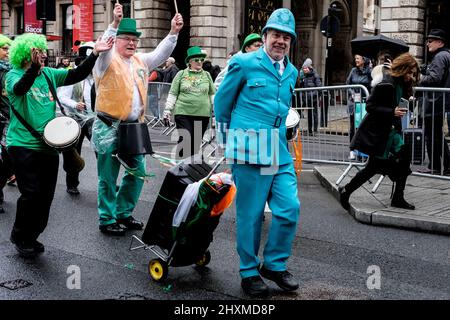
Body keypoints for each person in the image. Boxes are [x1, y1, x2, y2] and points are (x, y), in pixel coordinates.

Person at [214, 8, 300, 297]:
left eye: (286, 37)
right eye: (276, 34)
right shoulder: (243, 62)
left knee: (289, 208)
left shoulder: (292, 71)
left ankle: (274, 265)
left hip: (278, 147)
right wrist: (229, 143)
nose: (281, 41)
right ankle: (249, 271)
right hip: (249, 147)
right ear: (265, 36)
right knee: (251, 215)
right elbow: (222, 105)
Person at [5, 33, 113, 258]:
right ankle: (20, 236)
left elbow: (77, 73)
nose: (43, 55)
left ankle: (32, 235)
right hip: (22, 144)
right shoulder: (12, 75)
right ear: (26, 54)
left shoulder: (49, 74)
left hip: (48, 146)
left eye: (43, 52)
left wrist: (94, 54)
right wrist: (33, 69)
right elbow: (20, 89)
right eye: (38, 52)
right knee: (31, 194)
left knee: (46, 196)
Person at [92, 3, 183, 236]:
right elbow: (104, 46)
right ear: (116, 41)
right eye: (127, 39)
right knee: (108, 176)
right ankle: (107, 218)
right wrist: (113, 24)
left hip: (133, 127)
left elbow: (161, 53)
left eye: (135, 39)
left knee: (137, 172)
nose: (132, 43)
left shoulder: (140, 61)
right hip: (107, 126)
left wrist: (173, 32)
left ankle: (123, 212)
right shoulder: (105, 61)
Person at [339, 53, 419, 212]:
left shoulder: (401, 84)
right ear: (402, 69)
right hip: (380, 133)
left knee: (403, 159)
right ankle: (346, 191)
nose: (411, 76)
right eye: (409, 72)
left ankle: (398, 197)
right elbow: (370, 106)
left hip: (392, 133)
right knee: (373, 168)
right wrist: (392, 111)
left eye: (413, 73)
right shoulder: (386, 83)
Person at [58, 42, 96, 196]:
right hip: (74, 119)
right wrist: (75, 104)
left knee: (101, 151)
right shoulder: (72, 75)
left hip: (93, 120)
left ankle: (107, 182)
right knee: (74, 153)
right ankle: (72, 184)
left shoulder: (96, 77)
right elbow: (61, 96)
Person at [163, 46, 215, 159]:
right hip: (183, 113)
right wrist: (167, 110)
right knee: (186, 140)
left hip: (202, 114)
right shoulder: (181, 74)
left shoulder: (207, 75)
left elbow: (212, 94)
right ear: (190, 61)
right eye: (197, 60)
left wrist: (215, 113)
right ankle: (181, 166)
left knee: (195, 144)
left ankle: (191, 171)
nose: (200, 62)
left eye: (202, 60)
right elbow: (173, 93)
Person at [418, 29, 450, 175]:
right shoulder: (445, 55)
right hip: (440, 101)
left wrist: (420, 80)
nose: (427, 44)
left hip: (435, 101)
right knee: (437, 135)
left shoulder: (440, 56)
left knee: (432, 136)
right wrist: (426, 70)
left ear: (440, 42)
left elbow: (435, 78)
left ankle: (435, 167)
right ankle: (444, 166)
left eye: (430, 41)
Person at [346, 54, 372, 158]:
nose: (356, 60)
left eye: (358, 58)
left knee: (364, 127)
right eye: (355, 58)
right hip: (354, 103)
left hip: (365, 103)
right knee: (353, 127)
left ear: (364, 59)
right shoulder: (353, 71)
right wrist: (352, 92)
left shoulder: (370, 72)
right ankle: (352, 150)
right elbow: (348, 84)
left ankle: (363, 151)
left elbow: (373, 84)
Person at [0, 34, 13, 214]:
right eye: (4, 48)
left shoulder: (12, 70)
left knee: (9, 160)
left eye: (9, 48)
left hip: (11, 120)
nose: (8, 52)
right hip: (1, 120)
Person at [299, 58, 322, 135]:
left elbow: (319, 87)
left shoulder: (315, 75)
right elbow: (302, 86)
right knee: (309, 115)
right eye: (303, 68)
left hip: (314, 99)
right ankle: (309, 130)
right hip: (307, 99)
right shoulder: (304, 76)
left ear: (309, 67)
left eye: (305, 68)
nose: (304, 70)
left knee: (314, 114)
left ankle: (315, 130)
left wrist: (314, 95)